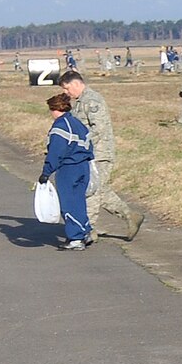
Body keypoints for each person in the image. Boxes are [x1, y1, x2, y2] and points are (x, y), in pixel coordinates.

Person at [59, 71, 142, 241]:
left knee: (92, 190)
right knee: (98, 189)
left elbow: (99, 129)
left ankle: (88, 229)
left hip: (99, 154)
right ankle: (130, 215)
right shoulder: (79, 102)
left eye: (67, 89)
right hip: (88, 155)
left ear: (76, 84)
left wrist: (79, 145)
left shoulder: (92, 100)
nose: (66, 93)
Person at [36, 92, 95, 251]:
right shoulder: (77, 123)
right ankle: (86, 231)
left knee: (68, 203)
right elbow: (90, 145)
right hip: (84, 166)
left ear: (54, 109)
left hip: (68, 169)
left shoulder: (60, 126)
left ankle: (75, 238)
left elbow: (56, 152)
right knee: (79, 202)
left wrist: (46, 172)